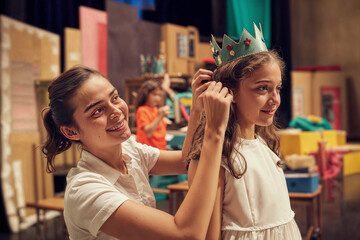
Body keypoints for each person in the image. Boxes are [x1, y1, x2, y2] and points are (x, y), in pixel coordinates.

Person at [41, 65, 233, 239]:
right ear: (71, 131)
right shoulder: (85, 190)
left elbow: (185, 160)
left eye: (115, 98)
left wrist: (197, 109)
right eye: (98, 111)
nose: (116, 110)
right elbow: (186, 234)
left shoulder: (130, 150)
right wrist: (214, 130)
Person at [187, 24, 302, 239]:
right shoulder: (216, 158)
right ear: (230, 93)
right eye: (262, 88)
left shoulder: (265, 146)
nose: (275, 99)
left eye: (277, 88)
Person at [135, 75, 173, 150]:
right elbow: (148, 133)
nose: (157, 98)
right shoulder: (142, 110)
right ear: (145, 95)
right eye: (154, 94)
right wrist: (159, 116)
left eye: (158, 95)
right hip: (149, 153)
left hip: (160, 149)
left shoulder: (156, 110)